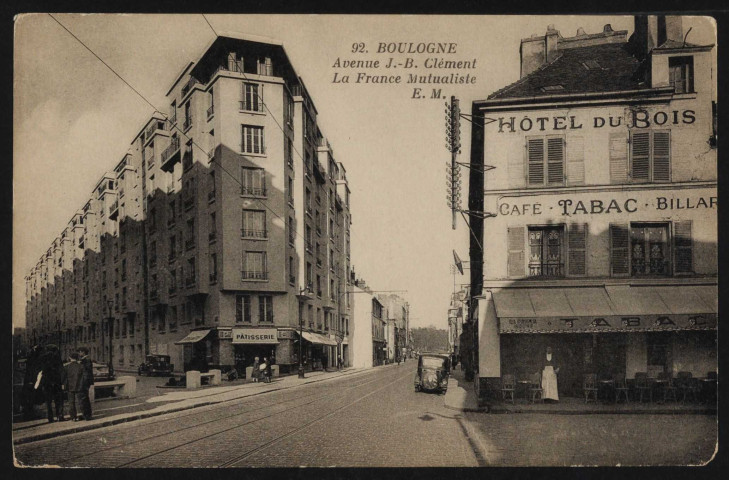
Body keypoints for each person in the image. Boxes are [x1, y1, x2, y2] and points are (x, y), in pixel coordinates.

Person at [39, 345, 66, 422]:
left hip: (47, 382)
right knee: (59, 400)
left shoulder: (42, 358)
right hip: (56, 382)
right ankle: (59, 416)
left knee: (48, 401)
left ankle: (50, 418)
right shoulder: (57, 357)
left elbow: (41, 370)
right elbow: (61, 370)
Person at [64, 353, 86, 422]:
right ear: (77, 358)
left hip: (70, 387)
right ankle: (85, 415)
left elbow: (64, 378)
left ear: (70, 358)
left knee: (71, 402)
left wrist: (65, 386)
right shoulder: (81, 366)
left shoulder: (67, 367)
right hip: (79, 386)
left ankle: (73, 417)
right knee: (81, 401)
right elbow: (84, 377)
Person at [77, 347, 94, 420]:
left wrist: (84, 383)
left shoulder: (86, 360)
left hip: (84, 382)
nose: (79, 353)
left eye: (80, 352)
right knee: (84, 398)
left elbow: (86, 372)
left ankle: (87, 415)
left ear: (83, 352)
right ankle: (85, 414)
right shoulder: (84, 360)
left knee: (83, 398)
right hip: (84, 382)